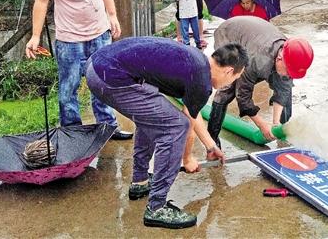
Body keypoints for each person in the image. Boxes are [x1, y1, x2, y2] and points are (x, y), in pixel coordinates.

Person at [85, 37, 248, 228]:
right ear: (229, 71)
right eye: (235, 78)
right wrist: (187, 159)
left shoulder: (197, 59)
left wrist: (210, 146)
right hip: (110, 76)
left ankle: (140, 181)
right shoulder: (201, 81)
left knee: (155, 117)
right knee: (175, 126)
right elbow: (187, 124)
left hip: (98, 65)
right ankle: (157, 208)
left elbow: (192, 114)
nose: (230, 83)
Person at [25, 0, 132, 140]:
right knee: (69, 88)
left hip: (100, 32)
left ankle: (107, 127)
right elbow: (42, 0)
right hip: (69, 38)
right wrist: (35, 35)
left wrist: (112, 15)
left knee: (103, 83)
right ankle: (73, 135)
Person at [206, 16, 314, 148]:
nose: (288, 75)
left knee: (285, 92)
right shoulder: (256, 59)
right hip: (229, 33)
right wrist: (262, 125)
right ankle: (212, 140)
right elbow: (243, 96)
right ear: (280, 58)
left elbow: (283, 91)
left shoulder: (291, 55)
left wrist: (275, 124)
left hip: (256, 37)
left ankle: (283, 140)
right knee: (228, 89)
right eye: (288, 71)